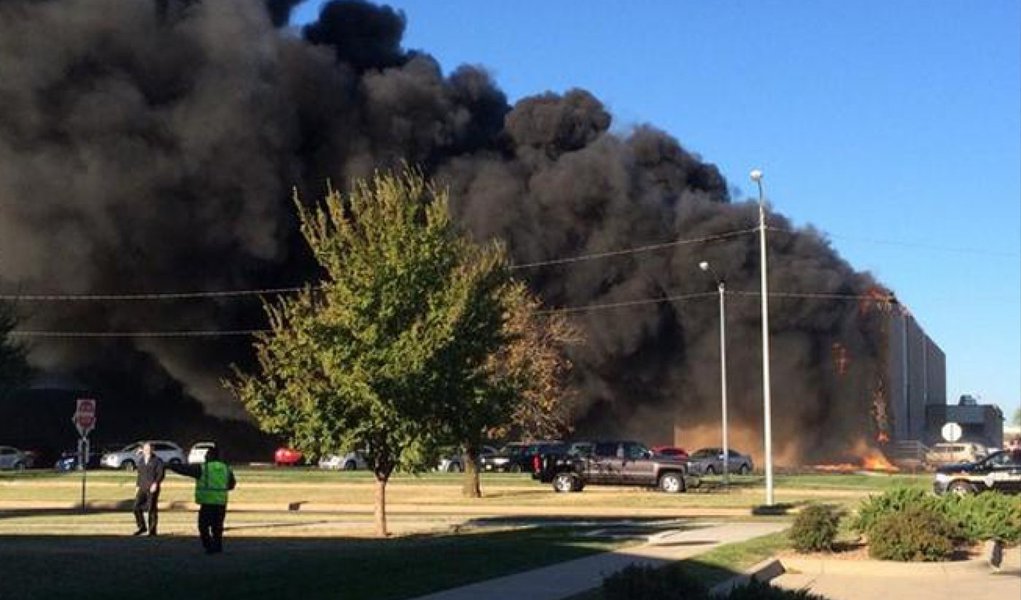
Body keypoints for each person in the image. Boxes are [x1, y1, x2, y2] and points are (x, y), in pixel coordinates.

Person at [167, 445, 237, 554]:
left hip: (207, 502)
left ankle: (208, 546)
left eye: (206, 454)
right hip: (221, 502)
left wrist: (171, 466)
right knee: (217, 527)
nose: (205, 456)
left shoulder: (203, 468)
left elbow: (185, 470)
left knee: (203, 526)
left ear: (211, 456)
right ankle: (218, 547)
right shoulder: (226, 469)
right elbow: (231, 485)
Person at [132, 442, 165, 536]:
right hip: (142, 487)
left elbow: (161, 474)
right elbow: (140, 474)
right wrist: (137, 486)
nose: (147, 451)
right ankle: (142, 527)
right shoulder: (141, 460)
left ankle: (152, 531)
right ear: (143, 450)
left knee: (151, 508)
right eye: (146, 449)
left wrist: (156, 483)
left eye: (149, 449)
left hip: (152, 488)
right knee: (136, 507)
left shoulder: (157, 461)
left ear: (152, 449)